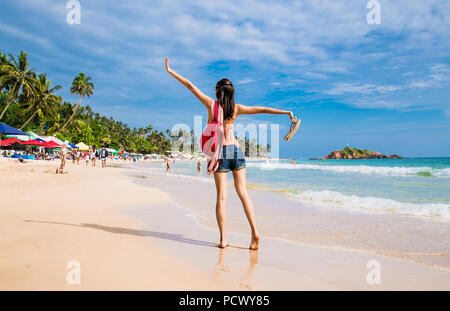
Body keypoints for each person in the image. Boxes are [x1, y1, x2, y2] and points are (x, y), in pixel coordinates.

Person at [165, 57, 297, 250]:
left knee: (221, 198)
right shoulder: (236, 109)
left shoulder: (211, 104)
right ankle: (255, 233)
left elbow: (190, 86)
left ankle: (223, 239)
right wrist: (286, 112)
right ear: (232, 92)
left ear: (217, 92)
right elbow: (263, 109)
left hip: (220, 152)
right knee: (243, 194)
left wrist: (170, 71)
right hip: (236, 150)